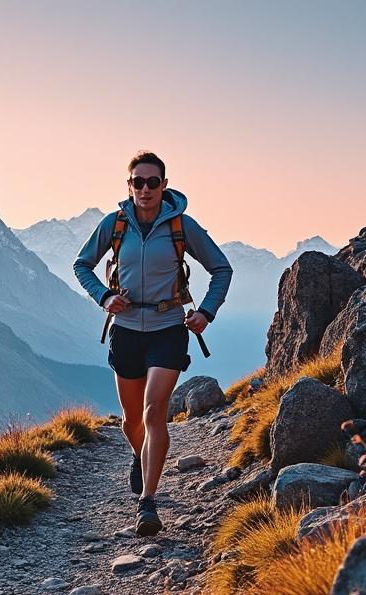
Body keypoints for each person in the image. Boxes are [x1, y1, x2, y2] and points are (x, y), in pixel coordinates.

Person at [72, 151, 232, 536]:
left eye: (152, 182)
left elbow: (221, 268)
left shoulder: (181, 225)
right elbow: (82, 264)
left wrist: (206, 312)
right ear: (129, 186)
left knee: (152, 410)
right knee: (131, 421)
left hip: (167, 327)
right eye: (137, 182)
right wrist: (104, 298)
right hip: (125, 330)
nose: (145, 189)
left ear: (164, 184)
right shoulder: (114, 225)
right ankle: (139, 455)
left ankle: (148, 502)